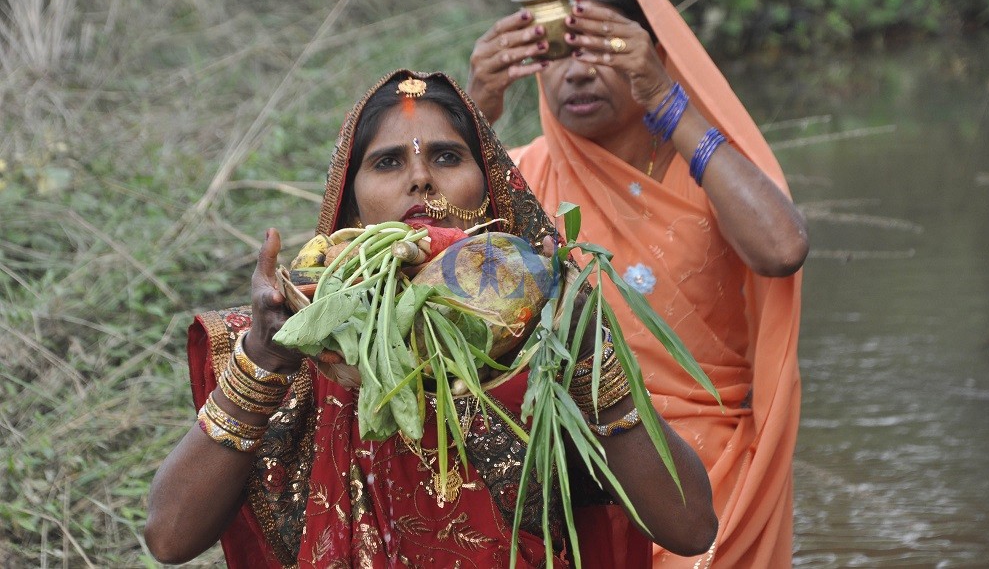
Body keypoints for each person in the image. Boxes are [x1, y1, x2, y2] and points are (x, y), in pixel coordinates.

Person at [144, 69, 717, 568]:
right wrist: (264, 361)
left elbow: (690, 529)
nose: (421, 177)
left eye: (446, 156)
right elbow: (169, 539)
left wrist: (590, 354)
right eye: (388, 161)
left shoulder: (545, 333)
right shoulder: (299, 336)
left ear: (491, 191)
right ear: (351, 205)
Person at [466, 0, 809, 569]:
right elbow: (421, 269)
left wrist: (665, 100)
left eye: (601, 47)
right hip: (566, 478)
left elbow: (783, 250)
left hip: (709, 478)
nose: (576, 73)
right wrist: (475, 112)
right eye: (557, 52)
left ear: (648, 51)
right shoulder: (519, 178)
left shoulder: (707, 169)